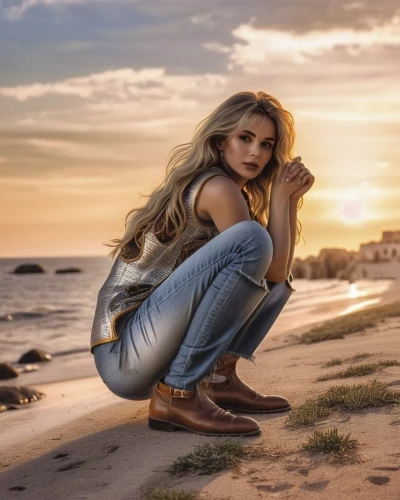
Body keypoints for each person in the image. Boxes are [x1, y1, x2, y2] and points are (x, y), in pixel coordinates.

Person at [90, 91, 315, 437]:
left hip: (148, 349)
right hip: (125, 352)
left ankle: (218, 379)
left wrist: (286, 201)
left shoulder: (233, 193)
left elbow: (275, 278)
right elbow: (263, 259)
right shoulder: (218, 188)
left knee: (273, 266)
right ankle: (178, 393)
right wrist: (280, 197)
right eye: (245, 138)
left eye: (267, 144)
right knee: (254, 240)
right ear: (221, 140)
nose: (256, 151)